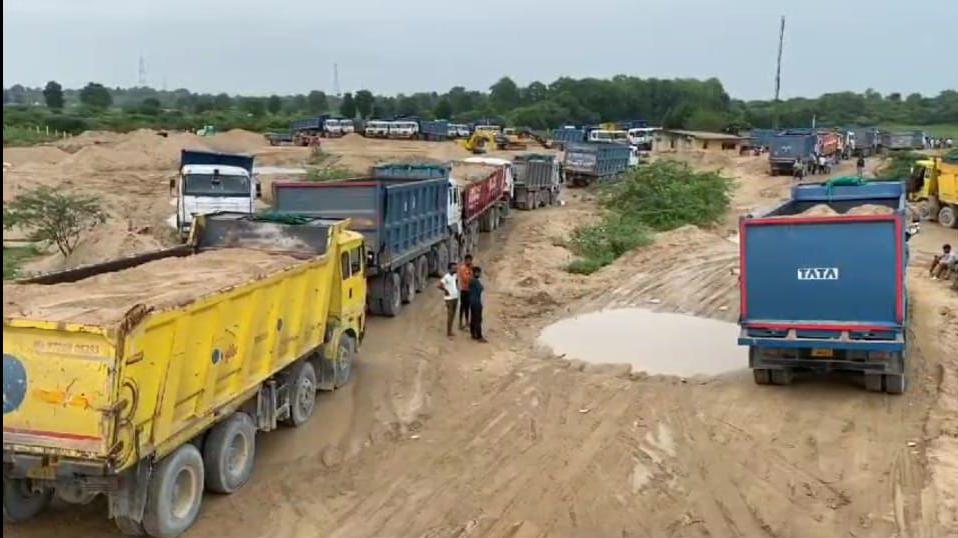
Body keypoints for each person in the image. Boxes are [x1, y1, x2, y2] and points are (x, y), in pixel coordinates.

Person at [438, 262, 459, 337]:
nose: (456, 269)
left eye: (456, 268)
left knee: (453, 315)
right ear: (450, 269)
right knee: (450, 315)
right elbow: (439, 285)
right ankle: (448, 332)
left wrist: (455, 289)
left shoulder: (455, 275)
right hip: (449, 299)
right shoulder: (446, 277)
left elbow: (456, 282)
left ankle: (450, 330)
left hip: (455, 297)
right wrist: (446, 290)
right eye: (454, 268)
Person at [468, 266, 486, 342]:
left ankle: (473, 334)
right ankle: (479, 336)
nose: (479, 274)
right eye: (478, 273)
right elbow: (481, 288)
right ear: (476, 273)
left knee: (473, 318)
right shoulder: (475, 281)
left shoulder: (471, 280)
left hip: (472, 302)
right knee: (478, 319)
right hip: (477, 302)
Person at [457, 254, 474, 330]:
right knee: (462, 307)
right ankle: (460, 323)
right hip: (464, 290)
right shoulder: (463, 268)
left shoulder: (471, 268)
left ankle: (467, 322)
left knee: (468, 307)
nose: (468, 261)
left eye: (470, 260)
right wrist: (471, 276)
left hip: (470, 291)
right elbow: (465, 279)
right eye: (467, 260)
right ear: (465, 260)